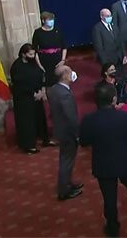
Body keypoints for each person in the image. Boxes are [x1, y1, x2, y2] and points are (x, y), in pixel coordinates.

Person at [79, 83, 127, 237]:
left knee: (109, 199)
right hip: (126, 163)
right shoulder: (125, 118)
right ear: (113, 99)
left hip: (103, 165)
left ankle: (112, 228)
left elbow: (84, 142)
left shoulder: (89, 120)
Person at [9, 43, 55, 154]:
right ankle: (29, 145)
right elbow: (19, 84)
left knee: (40, 118)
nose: (33, 56)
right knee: (27, 122)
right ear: (24, 54)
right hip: (24, 98)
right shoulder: (17, 66)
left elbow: (40, 75)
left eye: (34, 54)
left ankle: (45, 139)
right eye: (30, 54)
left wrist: (42, 90)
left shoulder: (33, 63)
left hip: (37, 95)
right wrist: (32, 93)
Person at [47, 65, 82, 201]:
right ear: (65, 76)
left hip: (60, 130)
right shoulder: (65, 94)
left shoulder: (54, 90)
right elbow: (71, 117)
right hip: (68, 132)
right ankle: (64, 190)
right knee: (66, 161)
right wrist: (77, 134)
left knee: (66, 160)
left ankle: (67, 183)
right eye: (70, 71)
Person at [92, 8, 127, 84]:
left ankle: (122, 93)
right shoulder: (97, 28)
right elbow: (99, 47)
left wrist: (124, 55)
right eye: (107, 16)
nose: (109, 17)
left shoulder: (114, 25)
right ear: (101, 17)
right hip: (108, 60)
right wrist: (105, 63)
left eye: (110, 15)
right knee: (111, 80)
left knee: (122, 78)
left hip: (119, 57)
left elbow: (121, 41)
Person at [32, 11, 67, 86]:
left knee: (59, 80)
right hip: (44, 60)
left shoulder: (57, 31)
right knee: (48, 81)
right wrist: (39, 65)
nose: (52, 21)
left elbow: (64, 47)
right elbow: (35, 50)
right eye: (49, 20)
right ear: (43, 21)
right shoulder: (38, 32)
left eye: (52, 20)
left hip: (57, 59)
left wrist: (63, 60)